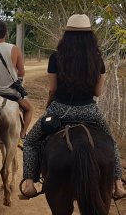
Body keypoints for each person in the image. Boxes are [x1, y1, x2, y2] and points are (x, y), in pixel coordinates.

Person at [21, 14, 126, 199]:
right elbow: (98, 92)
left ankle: (29, 183)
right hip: (89, 111)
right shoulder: (97, 59)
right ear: (90, 36)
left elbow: (52, 89)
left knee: (30, 141)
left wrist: (49, 106)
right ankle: (117, 184)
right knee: (111, 142)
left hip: (60, 109)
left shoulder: (55, 57)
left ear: (66, 35)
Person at [0, 21, 33, 146]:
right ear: (6, 33)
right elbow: (21, 72)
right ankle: (22, 135)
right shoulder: (14, 49)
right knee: (29, 109)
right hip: (11, 92)